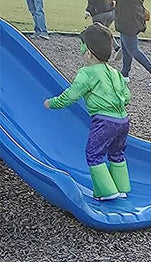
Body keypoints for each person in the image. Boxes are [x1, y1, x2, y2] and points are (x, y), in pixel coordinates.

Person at [44, 23, 131, 201]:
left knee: (94, 154)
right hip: (123, 120)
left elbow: (70, 96)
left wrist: (52, 103)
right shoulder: (115, 73)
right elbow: (127, 96)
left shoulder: (87, 73)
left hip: (105, 122)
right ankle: (122, 188)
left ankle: (107, 191)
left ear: (88, 52)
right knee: (117, 153)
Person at [114, 0, 151, 87]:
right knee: (126, 49)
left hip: (128, 21)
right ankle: (125, 74)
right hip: (128, 19)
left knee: (133, 50)